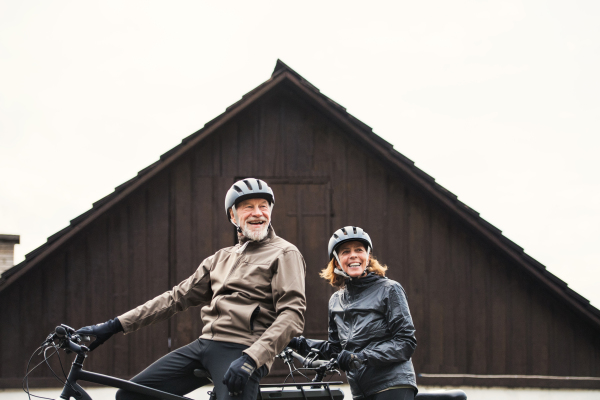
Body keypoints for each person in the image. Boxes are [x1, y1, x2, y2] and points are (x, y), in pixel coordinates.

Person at [77, 178, 307, 400]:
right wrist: (113, 325)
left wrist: (252, 358)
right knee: (131, 394)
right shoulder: (220, 258)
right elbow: (175, 298)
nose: (258, 212)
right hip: (205, 344)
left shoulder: (285, 253)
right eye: (248, 207)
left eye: (263, 206)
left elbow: (292, 315)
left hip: (244, 349)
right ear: (232, 215)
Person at [289, 226, 417, 400]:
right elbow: (336, 349)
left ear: (368, 256)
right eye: (345, 251)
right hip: (360, 391)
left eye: (359, 250)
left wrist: (361, 357)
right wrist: (296, 343)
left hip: (392, 384)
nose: (354, 255)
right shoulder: (336, 301)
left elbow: (406, 342)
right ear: (336, 261)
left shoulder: (389, 290)